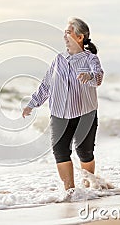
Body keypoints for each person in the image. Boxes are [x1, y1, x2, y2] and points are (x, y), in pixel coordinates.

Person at [22, 17, 104, 192]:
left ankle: (91, 186)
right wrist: (32, 104)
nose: (64, 36)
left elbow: (97, 78)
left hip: (85, 114)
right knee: (60, 152)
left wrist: (88, 77)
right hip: (59, 114)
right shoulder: (58, 59)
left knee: (85, 152)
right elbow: (46, 84)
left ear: (80, 37)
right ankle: (70, 192)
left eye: (68, 32)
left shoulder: (91, 59)